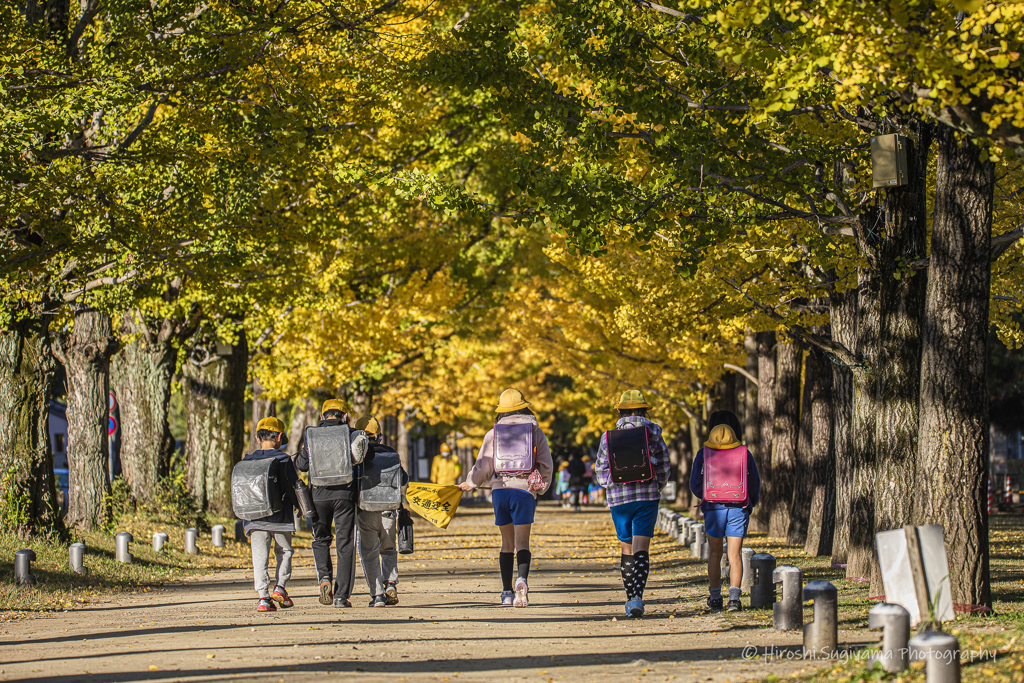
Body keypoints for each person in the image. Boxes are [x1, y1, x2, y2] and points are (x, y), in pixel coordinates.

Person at [459, 388, 553, 607]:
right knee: (522, 543)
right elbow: (546, 464)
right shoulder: (535, 431)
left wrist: (471, 483)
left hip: (501, 491)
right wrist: (540, 487)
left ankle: (506, 592)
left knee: (506, 544)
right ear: (524, 407)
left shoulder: (493, 434)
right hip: (524, 491)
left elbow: (484, 465)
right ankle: (522, 580)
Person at [594, 390, 671, 619]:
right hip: (646, 497)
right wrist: (656, 485)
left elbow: (600, 471)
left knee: (626, 548)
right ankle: (637, 598)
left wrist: (612, 484)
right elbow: (665, 465)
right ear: (644, 411)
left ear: (620, 411)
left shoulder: (608, 436)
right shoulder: (654, 431)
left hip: (619, 501)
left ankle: (629, 598)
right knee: (641, 549)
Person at [295, 399, 369, 609]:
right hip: (344, 495)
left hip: (318, 495)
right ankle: (341, 596)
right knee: (345, 544)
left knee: (321, 539)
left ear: (322, 416)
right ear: (344, 416)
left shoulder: (312, 435)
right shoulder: (350, 433)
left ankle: (324, 579)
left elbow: (301, 465)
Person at [689, 410, 761, 612]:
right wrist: (750, 504)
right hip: (738, 508)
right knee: (735, 554)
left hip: (713, 509)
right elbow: (754, 483)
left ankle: (714, 597)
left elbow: (695, 483)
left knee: (714, 554)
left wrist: (706, 497)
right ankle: (734, 599)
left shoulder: (703, 454)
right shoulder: (744, 453)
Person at [241, 417, 299, 613]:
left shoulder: (247, 460)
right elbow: (293, 487)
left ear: (257, 438)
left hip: (255, 518)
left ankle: (263, 598)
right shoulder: (284, 460)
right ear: (280, 437)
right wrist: (299, 506)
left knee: (259, 557)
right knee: (285, 551)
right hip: (280, 517)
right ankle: (280, 588)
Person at [354, 416, 409, 607]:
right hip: (389, 511)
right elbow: (402, 479)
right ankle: (391, 582)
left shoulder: (357, 456)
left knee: (369, 552)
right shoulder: (391, 453)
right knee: (388, 549)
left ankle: (377, 595)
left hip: (366, 511)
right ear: (379, 437)